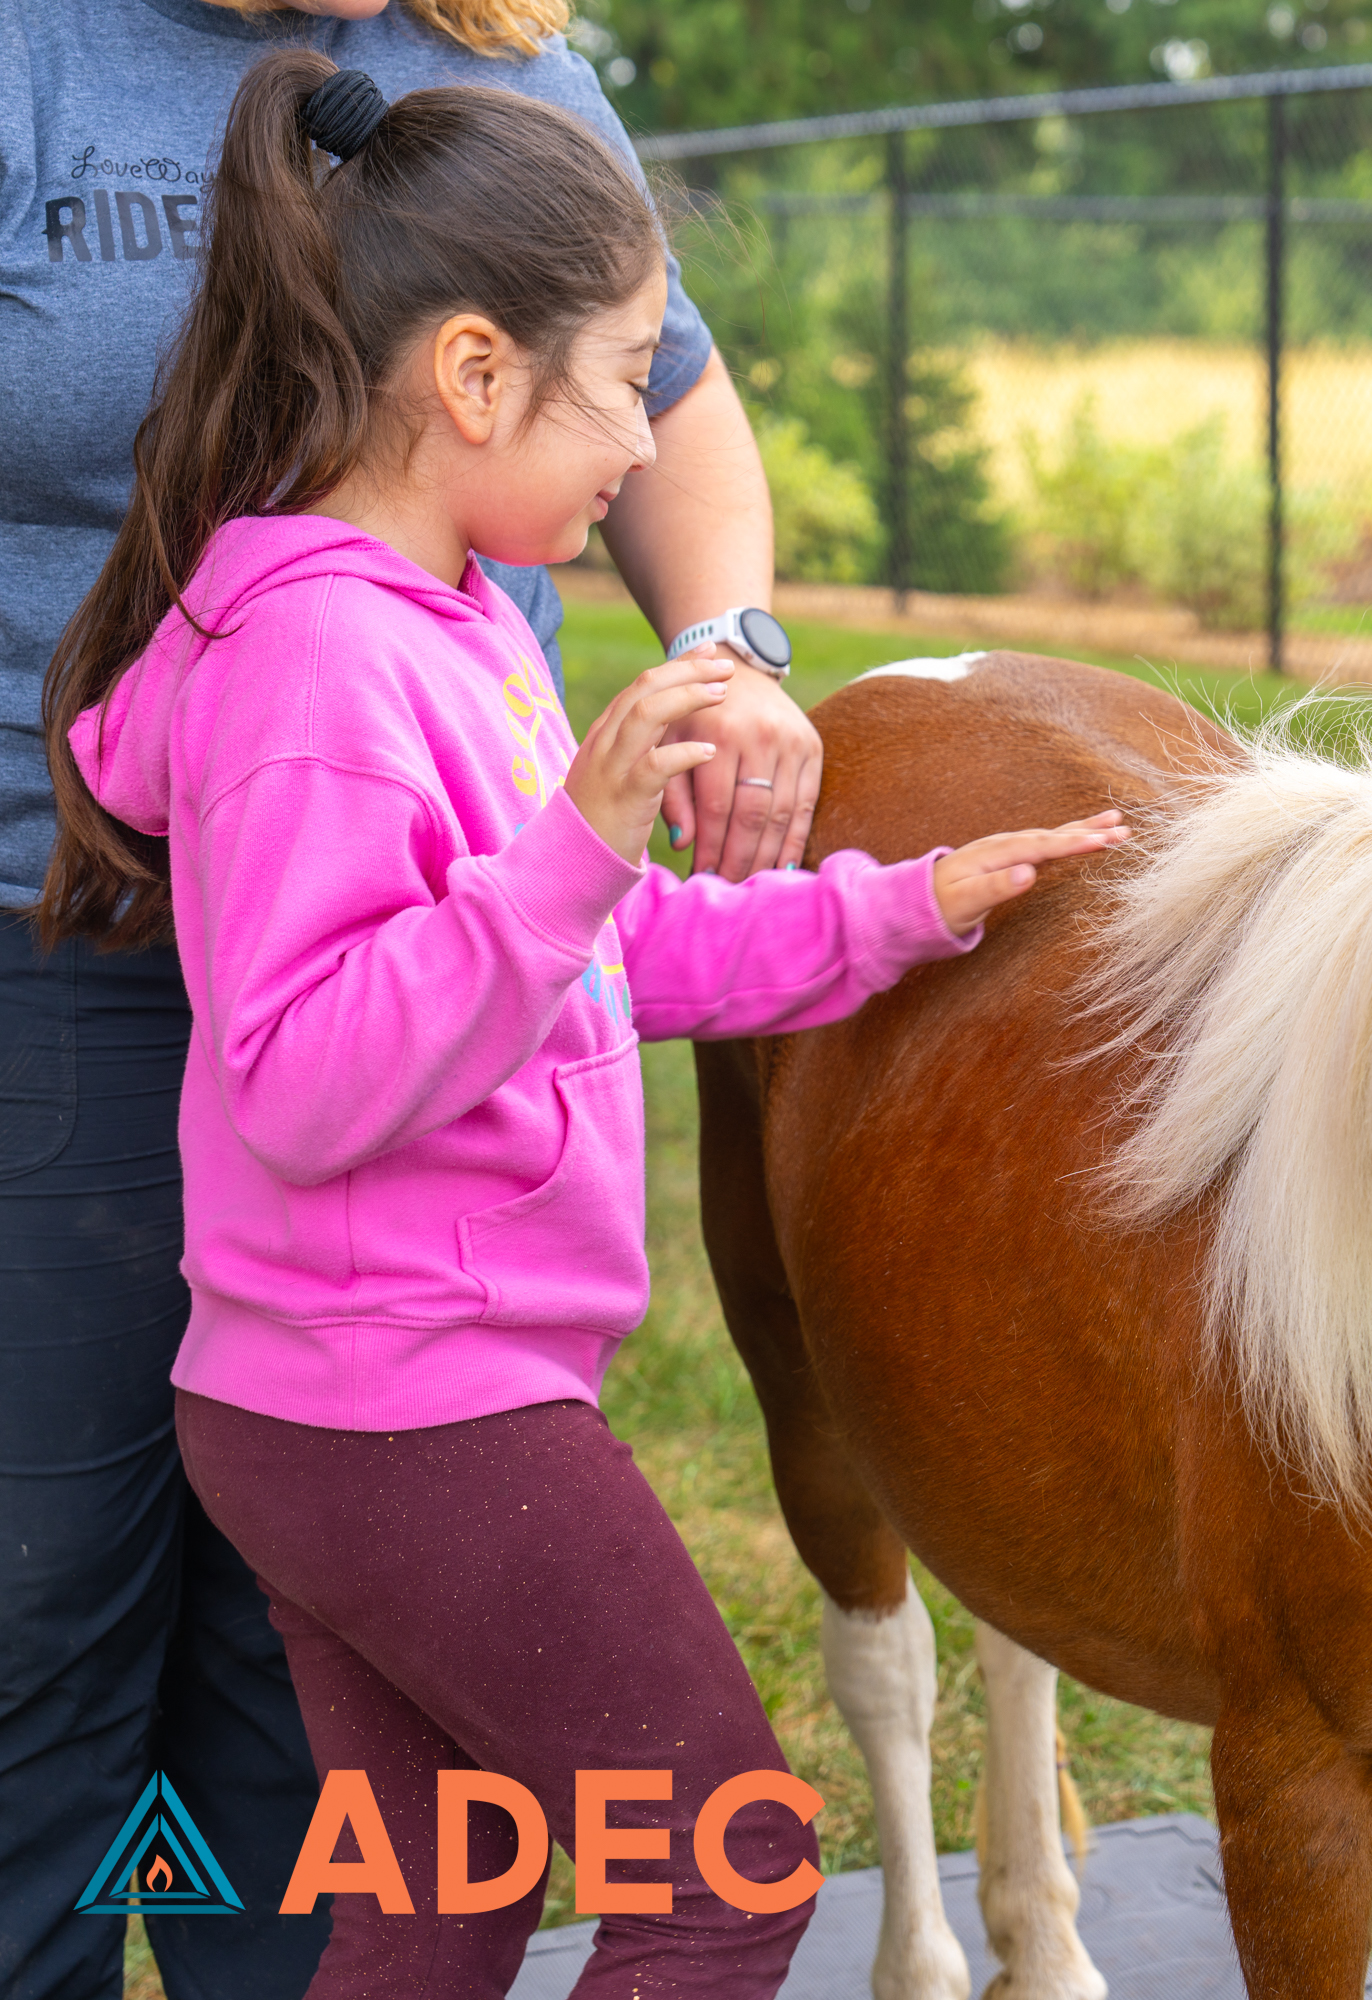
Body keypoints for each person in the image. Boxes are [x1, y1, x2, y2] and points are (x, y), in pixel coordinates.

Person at [39, 51, 1125, 1998]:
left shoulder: (451, 616)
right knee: (728, 1873)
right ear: (473, 377)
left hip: (382, 1399)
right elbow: (302, 1078)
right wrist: (574, 848)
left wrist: (906, 908)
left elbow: (590, 966)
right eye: (625, 378)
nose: (647, 436)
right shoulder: (318, 666)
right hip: (402, 1412)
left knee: (436, 1907)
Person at [0, 4, 810, 1994]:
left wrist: (729, 657)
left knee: (317, 1662)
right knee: (51, 1607)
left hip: (449, 943)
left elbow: (668, 397)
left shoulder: (501, 62)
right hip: (62, 933)